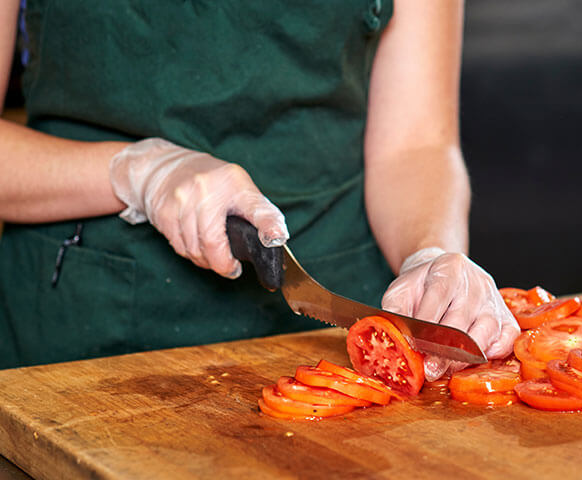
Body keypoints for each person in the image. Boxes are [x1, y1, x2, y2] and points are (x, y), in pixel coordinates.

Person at [0, 0, 519, 378]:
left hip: (339, 326)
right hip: (87, 330)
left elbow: (417, 145)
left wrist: (431, 253)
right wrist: (140, 172)